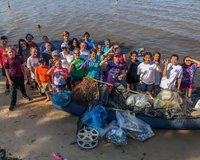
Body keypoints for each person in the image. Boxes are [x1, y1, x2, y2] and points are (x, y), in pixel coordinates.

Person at [4, 46, 31, 111]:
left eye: (12, 52)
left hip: (20, 75)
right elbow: (6, 71)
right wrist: (9, 80)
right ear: (7, 53)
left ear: (15, 52)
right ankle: (13, 103)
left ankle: (24, 95)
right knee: (13, 91)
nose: (11, 53)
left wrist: (25, 75)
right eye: (9, 52)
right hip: (13, 77)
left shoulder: (19, 57)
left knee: (22, 87)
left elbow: (23, 67)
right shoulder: (6, 61)